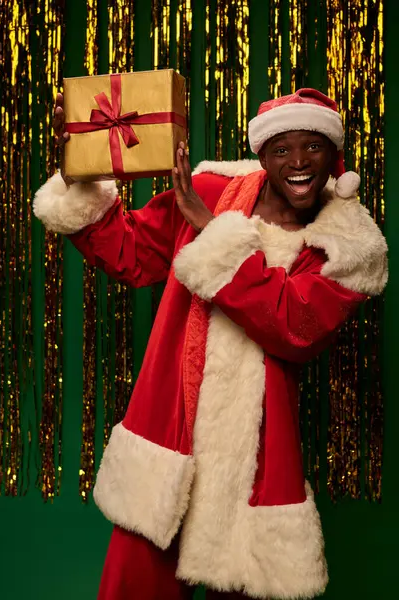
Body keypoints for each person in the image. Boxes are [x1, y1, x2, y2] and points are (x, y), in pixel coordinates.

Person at [33, 88, 387, 600]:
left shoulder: (348, 249)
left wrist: (210, 230)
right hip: (168, 441)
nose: (299, 162)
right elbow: (130, 252)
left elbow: (295, 325)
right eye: (282, 149)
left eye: (313, 146)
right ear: (262, 156)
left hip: (256, 471)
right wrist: (78, 171)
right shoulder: (211, 188)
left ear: (334, 155)